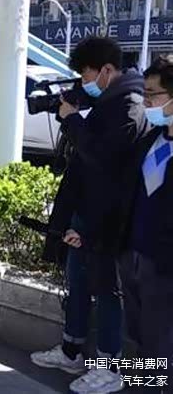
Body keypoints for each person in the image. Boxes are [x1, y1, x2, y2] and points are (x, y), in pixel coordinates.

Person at [30, 37, 147, 394]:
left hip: (108, 217)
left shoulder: (130, 106)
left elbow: (103, 156)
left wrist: (71, 121)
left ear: (107, 70)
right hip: (85, 209)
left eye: (86, 75)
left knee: (107, 290)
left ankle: (109, 367)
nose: (84, 82)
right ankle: (71, 350)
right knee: (77, 280)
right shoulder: (109, 98)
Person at [117, 55, 173, 392]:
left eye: (152, 95)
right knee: (138, 336)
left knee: (162, 343)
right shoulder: (149, 141)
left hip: (165, 267)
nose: (146, 103)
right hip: (133, 255)